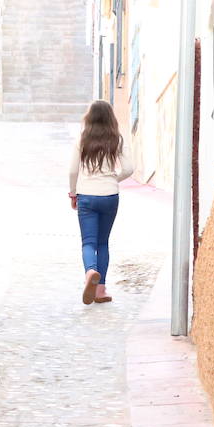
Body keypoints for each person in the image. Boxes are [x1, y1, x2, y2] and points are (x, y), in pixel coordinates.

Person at [69, 100, 134, 305]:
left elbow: (72, 170)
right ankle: (101, 289)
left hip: (86, 195)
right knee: (103, 242)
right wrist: (114, 178)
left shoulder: (83, 140)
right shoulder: (117, 139)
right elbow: (129, 168)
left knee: (88, 242)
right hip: (109, 196)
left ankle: (90, 272)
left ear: (89, 117)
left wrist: (73, 194)